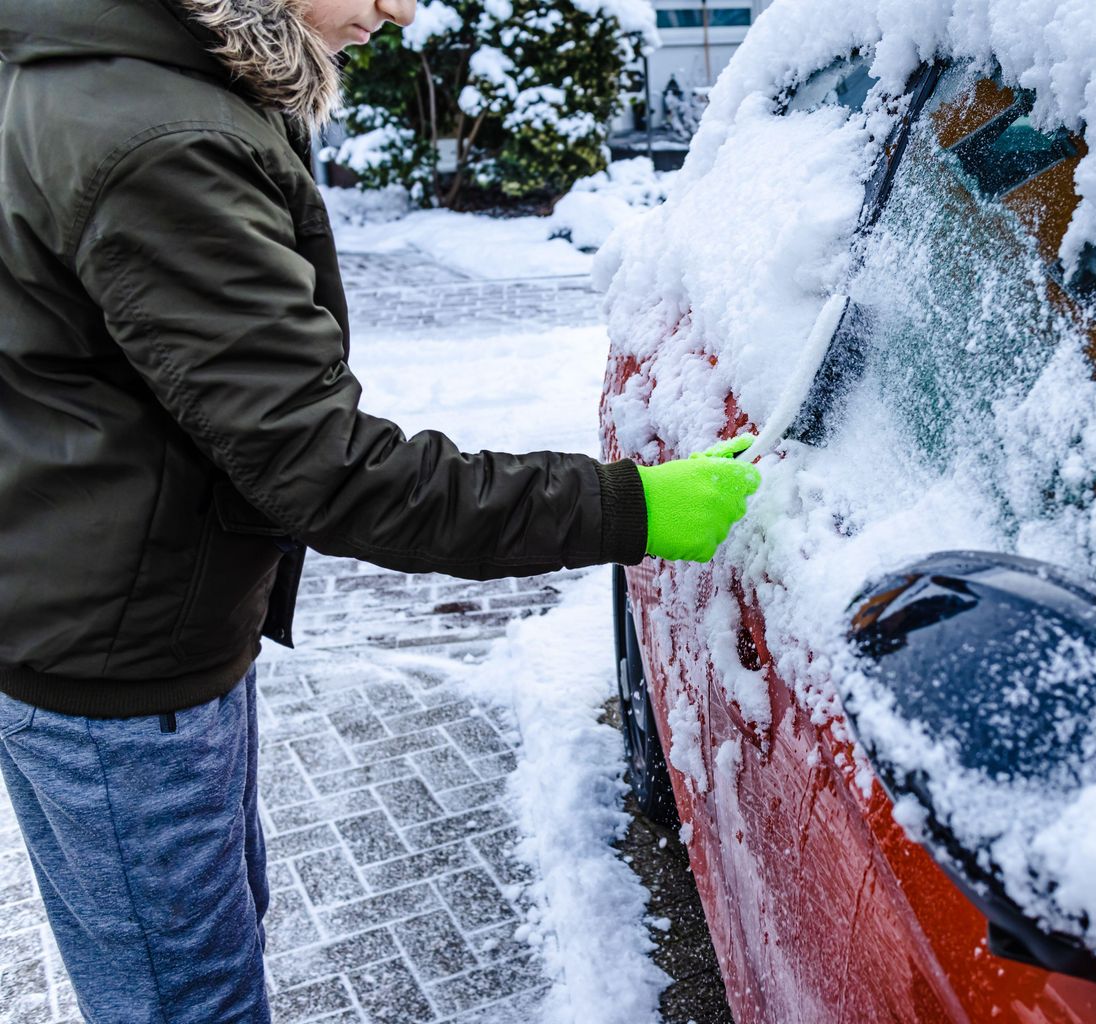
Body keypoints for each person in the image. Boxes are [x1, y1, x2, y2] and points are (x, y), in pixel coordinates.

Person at [0, 1, 759, 1019]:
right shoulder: (161, 135)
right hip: (121, 676)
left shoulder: (104, 66)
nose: (399, 9)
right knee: (186, 1000)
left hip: (100, 625)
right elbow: (329, 469)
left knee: (196, 960)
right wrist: (627, 509)